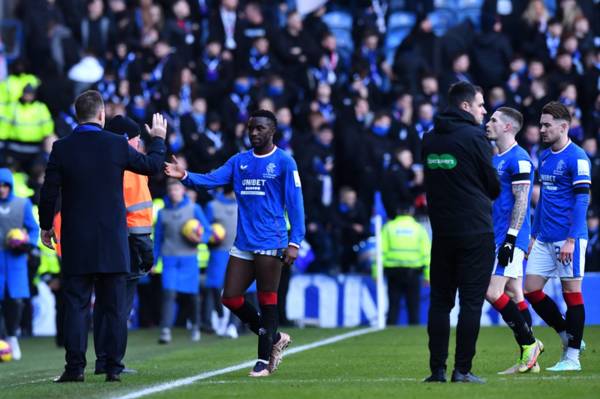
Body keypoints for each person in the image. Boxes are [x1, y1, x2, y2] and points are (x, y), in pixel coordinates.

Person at [164, 109, 305, 377]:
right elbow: (211, 180)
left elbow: (295, 204)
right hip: (244, 241)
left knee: (266, 299)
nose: (254, 132)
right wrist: (185, 176)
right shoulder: (239, 161)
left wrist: (295, 241)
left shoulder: (285, 163)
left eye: (260, 128)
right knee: (229, 297)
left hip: (271, 239)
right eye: (251, 128)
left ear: (272, 131)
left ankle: (264, 361)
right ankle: (274, 338)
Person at [38, 90, 166, 383]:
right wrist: (157, 138)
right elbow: (153, 166)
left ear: (76, 115)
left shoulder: (62, 148)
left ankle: (75, 368)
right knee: (113, 307)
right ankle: (113, 368)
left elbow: (48, 192)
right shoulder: (115, 145)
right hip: (112, 242)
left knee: (76, 307)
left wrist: (47, 226)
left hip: (76, 241)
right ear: (101, 115)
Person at [422, 81, 500, 384]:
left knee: (440, 302)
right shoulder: (475, 137)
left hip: (442, 233)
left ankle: (437, 370)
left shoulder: (428, 140)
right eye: (481, 105)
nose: (484, 111)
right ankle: (462, 370)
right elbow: (492, 185)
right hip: (476, 232)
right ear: (465, 106)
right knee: (470, 303)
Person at [524, 101, 591, 372]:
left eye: (546, 125)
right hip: (544, 237)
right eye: (541, 124)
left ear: (564, 127)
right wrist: (533, 234)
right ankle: (567, 334)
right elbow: (542, 202)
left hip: (568, 238)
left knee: (571, 294)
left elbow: (582, 202)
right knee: (530, 289)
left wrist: (572, 240)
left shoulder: (578, 157)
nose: (541, 129)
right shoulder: (545, 156)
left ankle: (572, 358)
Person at [94, 115, 157, 375]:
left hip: (102, 241)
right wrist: (146, 250)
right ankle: (114, 363)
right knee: (121, 305)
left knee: (104, 304)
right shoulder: (131, 169)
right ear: (125, 140)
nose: (139, 143)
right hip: (129, 243)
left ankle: (101, 360)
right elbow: (138, 215)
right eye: (137, 138)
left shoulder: (100, 162)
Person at [484, 107, 543, 375]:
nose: (488, 123)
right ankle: (531, 358)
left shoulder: (519, 159)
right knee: (513, 293)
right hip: (498, 235)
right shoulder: (498, 158)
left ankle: (529, 344)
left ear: (508, 127)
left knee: (492, 292)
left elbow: (522, 200)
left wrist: (510, 239)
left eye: (493, 120)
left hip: (510, 238)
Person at [155, 178, 211, 344]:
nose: (174, 193)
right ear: (168, 192)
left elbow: (207, 231)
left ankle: (195, 326)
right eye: (171, 190)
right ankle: (165, 330)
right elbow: (158, 238)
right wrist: (153, 260)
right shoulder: (162, 213)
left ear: (183, 191)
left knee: (192, 296)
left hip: (189, 258)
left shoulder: (194, 209)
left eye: (177, 190)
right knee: (168, 293)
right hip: (169, 258)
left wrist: (199, 239)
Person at [0, 168, 39, 360]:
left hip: (15, 261)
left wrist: (26, 242)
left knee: (15, 302)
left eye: (5, 185)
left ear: (10, 186)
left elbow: (33, 229)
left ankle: (13, 337)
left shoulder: (22, 204)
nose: (2, 189)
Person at [379, 202, 430, 326]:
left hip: (393, 272)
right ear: (411, 212)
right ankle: (413, 335)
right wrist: (427, 275)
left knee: (393, 306)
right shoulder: (419, 228)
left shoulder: (388, 227)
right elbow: (427, 254)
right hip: (413, 272)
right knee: (413, 307)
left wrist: (377, 272)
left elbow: (380, 252)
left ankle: (389, 334)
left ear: (397, 211)